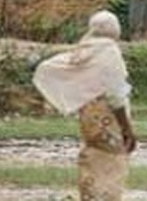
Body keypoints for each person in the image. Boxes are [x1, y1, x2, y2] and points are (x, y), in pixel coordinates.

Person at [32, 11, 137, 201]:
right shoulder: (109, 51)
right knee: (111, 160)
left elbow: (52, 67)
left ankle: (89, 195)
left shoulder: (84, 49)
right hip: (109, 119)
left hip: (89, 117)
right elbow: (115, 96)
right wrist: (127, 127)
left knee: (93, 155)